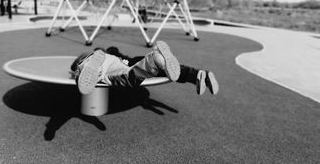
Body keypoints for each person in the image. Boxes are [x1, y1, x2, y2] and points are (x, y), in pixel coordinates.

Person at [70, 41, 219, 96]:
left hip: (96, 60)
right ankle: (198, 74)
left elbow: (73, 66)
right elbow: (122, 61)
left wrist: (75, 71)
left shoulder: (100, 54)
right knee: (134, 73)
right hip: (123, 63)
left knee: (87, 70)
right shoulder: (119, 56)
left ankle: (87, 68)